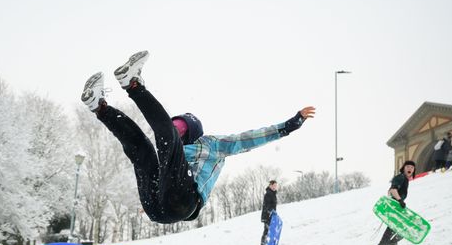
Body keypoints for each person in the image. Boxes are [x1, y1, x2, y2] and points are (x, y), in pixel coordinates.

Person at [80, 50, 315, 224]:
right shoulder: (172, 154)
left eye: (181, 129)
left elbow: (248, 138)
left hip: (184, 202)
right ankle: (100, 108)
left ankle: (133, 85)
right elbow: (163, 145)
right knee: (142, 151)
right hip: (155, 207)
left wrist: (288, 125)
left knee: (166, 143)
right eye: (176, 128)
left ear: (193, 132)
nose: (178, 133)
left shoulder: (212, 145)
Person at [372, 161, 416, 245]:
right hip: (394, 207)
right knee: (397, 227)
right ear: (404, 168)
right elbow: (392, 190)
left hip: (396, 207)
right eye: (408, 166)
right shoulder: (401, 177)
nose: (410, 169)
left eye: (412, 168)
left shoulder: (405, 179)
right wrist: (399, 200)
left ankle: (390, 244)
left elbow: (389, 191)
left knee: (400, 227)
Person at [260, 180, 278, 245]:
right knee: (267, 230)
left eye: (276, 186)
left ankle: (270, 243)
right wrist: (271, 211)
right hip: (267, 215)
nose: (275, 187)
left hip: (271, 215)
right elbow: (267, 205)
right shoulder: (268, 194)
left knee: (271, 229)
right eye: (274, 186)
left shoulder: (273, 194)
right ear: (270, 185)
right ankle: (263, 244)